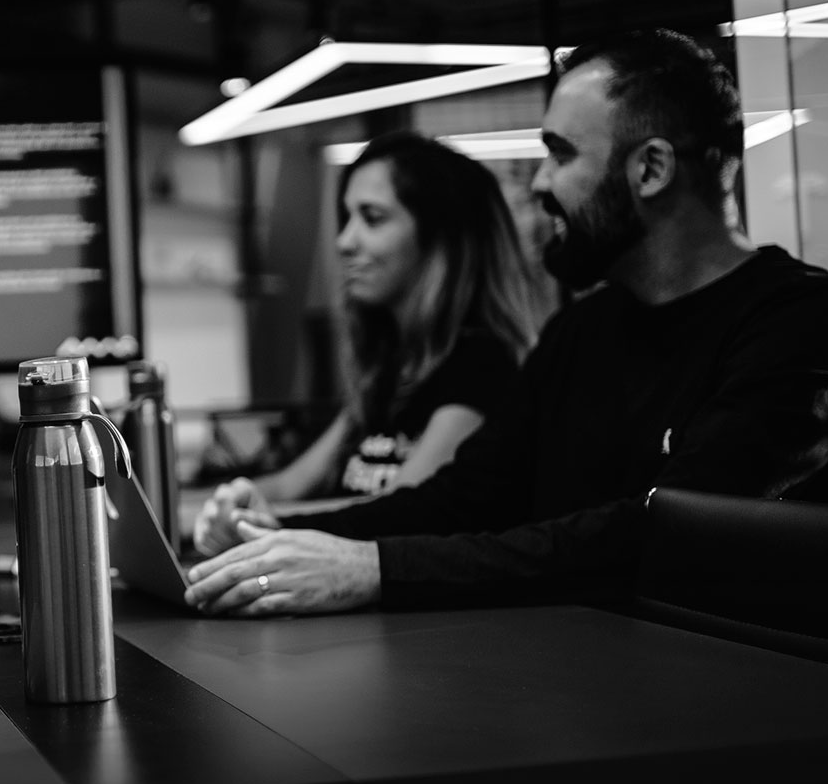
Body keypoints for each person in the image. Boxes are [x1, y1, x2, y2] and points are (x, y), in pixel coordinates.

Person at [184, 28, 828, 617]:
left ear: (650, 170)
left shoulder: (808, 325)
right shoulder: (581, 332)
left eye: (560, 154)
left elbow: (667, 533)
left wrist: (373, 568)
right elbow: (462, 501)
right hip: (588, 679)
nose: (540, 183)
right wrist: (281, 536)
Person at [192, 132, 556, 555]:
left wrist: (271, 525)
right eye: (347, 218)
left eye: (373, 218)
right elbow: (291, 484)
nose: (344, 241)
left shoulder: (482, 366)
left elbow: (400, 511)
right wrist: (226, 506)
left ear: (438, 238)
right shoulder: (391, 367)